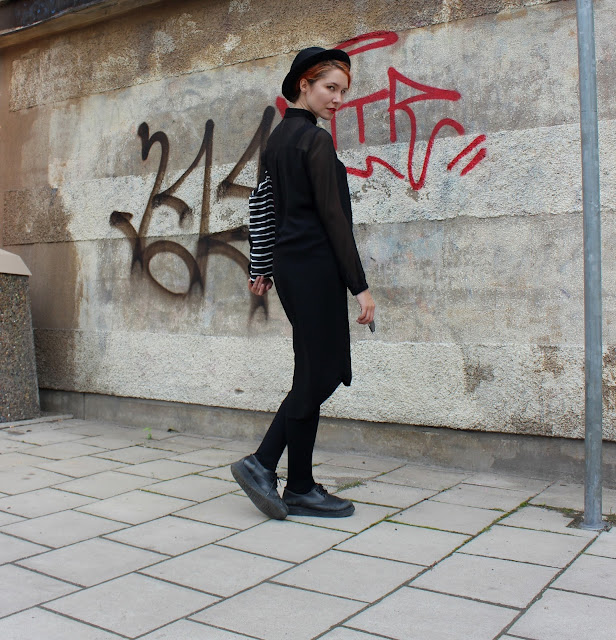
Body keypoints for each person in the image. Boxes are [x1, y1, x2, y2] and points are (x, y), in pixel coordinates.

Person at [231, 47, 375, 520]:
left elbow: (263, 205)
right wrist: (359, 286)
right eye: (330, 88)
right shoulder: (313, 141)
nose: (338, 99)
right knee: (324, 372)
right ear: (303, 85)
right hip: (314, 268)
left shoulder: (277, 140)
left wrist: (263, 264)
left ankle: (300, 486)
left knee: (309, 371)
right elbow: (334, 220)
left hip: (293, 269)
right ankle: (262, 462)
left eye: (343, 91)